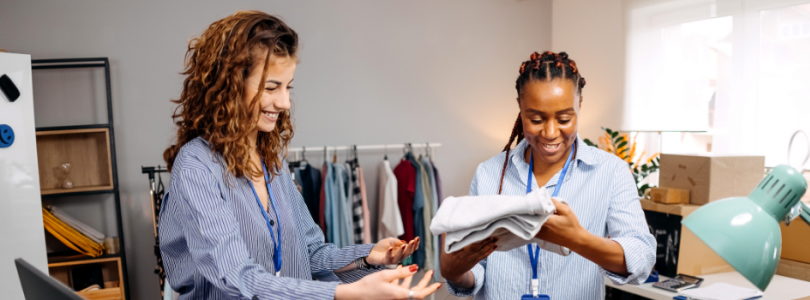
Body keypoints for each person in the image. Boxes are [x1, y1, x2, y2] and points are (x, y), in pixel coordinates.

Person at [159, 11, 439, 300]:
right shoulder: (196, 168)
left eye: (288, 87)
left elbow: (310, 252)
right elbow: (238, 277)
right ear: (229, 85)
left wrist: (369, 257)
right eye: (271, 87)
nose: (284, 102)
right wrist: (344, 293)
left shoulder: (272, 164)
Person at [439, 51, 657, 299]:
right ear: (520, 108)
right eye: (536, 118)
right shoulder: (488, 174)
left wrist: (579, 240)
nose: (551, 133)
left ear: (580, 105)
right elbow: (476, 272)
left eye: (564, 118)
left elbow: (642, 258)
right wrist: (455, 272)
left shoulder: (610, 172)